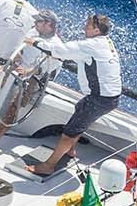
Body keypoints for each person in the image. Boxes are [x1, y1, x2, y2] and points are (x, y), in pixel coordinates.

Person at [26, 12, 122, 176]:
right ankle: (70, 151)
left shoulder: (90, 45)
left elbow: (58, 51)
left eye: (88, 25)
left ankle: (48, 166)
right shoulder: (106, 42)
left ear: (96, 30)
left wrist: (33, 41)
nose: (85, 27)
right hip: (107, 97)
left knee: (69, 133)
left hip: (99, 99)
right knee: (80, 109)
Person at [0, 8, 63, 145]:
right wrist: (16, 59)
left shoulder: (57, 46)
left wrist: (28, 72)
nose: (35, 23)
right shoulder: (33, 32)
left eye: (39, 21)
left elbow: (43, 70)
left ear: (49, 24)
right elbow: (20, 50)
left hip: (31, 79)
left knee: (12, 110)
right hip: (15, 69)